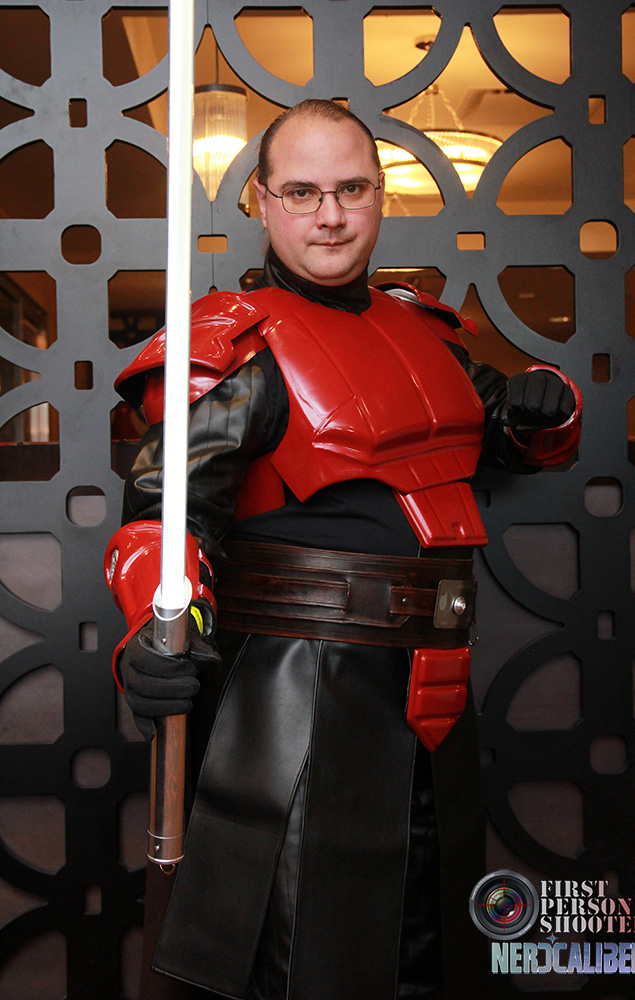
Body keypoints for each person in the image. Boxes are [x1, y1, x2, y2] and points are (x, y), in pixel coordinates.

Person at [105, 100, 582, 1000]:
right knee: (310, 958)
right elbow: (165, 518)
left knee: (432, 948)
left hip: (436, 681)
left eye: (350, 189)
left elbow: (509, 436)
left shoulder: (423, 333)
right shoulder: (235, 347)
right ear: (261, 200)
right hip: (300, 690)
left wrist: (540, 410)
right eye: (302, 192)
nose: (328, 215)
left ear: (379, 197)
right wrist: (156, 632)